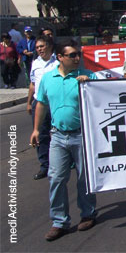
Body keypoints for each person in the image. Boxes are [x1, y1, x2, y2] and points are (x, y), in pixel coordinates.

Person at [30, 41, 97, 241]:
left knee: (85, 178)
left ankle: (88, 213)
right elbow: (41, 103)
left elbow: (103, 99)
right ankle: (59, 221)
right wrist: (35, 129)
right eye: (72, 55)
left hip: (82, 135)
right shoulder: (48, 79)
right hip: (57, 136)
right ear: (60, 57)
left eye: (78, 55)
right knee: (56, 178)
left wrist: (90, 85)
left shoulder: (87, 76)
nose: (77, 58)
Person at [27, 35, 58, 180]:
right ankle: (44, 166)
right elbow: (33, 84)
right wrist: (28, 102)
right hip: (39, 104)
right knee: (40, 135)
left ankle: (65, 162)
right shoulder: (35, 63)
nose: (39, 49)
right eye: (37, 47)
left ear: (49, 46)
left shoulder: (58, 62)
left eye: (42, 46)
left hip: (55, 104)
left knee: (60, 133)